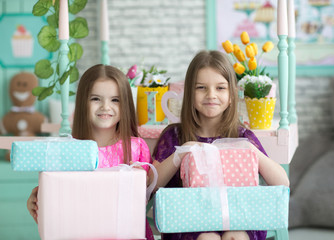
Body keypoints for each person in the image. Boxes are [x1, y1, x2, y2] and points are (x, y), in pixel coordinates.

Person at [150, 50, 290, 240]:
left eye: (220, 88)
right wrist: (181, 153)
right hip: (189, 222)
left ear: (231, 95)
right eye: (201, 88)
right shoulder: (175, 135)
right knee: (208, 238)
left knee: (237, 236)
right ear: (190, 93)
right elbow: (152, 185)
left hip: (240, 219)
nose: (211, 95)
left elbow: (283, 182)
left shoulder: (242, 136)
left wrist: (252, 151)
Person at [26, 64, 154, 240]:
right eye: (96, 99)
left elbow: (143, 198)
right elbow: (57, 208)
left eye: (115, 100)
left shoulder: (137, 148)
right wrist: (37, 202)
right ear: (82, 102)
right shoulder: (68, 150)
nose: (105, 107)